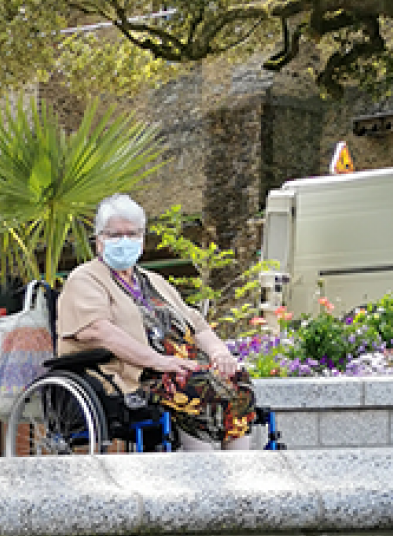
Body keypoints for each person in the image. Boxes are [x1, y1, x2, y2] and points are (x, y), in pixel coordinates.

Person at [57, 193, 255, 451]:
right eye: (115, 235)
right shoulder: (85, 279)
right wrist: (159, 361)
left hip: (181, 365)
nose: (124, 241)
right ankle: (204, 466)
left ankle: (238, 468)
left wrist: (220, 353)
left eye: (132, 234)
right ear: (99, 241)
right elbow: (98, 330)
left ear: (141, 240)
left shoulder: (153, 281)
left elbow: (196, 324)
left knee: (237, 379)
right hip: (138, 374)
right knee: (197, 385)